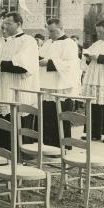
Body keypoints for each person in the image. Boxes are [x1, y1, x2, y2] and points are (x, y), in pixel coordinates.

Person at [0, 12, 40, 150]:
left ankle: (19, 157)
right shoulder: (6, 41)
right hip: (4, 89)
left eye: (8, 23)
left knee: (18, 126)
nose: (5, 26)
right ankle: (3, 155)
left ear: (19, 24)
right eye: (4, 23)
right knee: (3, 125)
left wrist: (1, 64)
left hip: (18, 91)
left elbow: (24, 67)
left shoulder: (27, 41)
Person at [39, 18, 80, 148]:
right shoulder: (48, 42)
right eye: (49, 31)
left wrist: (49, 62)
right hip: (47, 85)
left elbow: (70, 65)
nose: (51, 34)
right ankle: (49, 145)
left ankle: (63, 146)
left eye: (54, 31)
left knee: (61, 116)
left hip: (62, 86)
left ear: (62, 28)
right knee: (48, 116)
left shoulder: (69, 43)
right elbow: (41, 56)